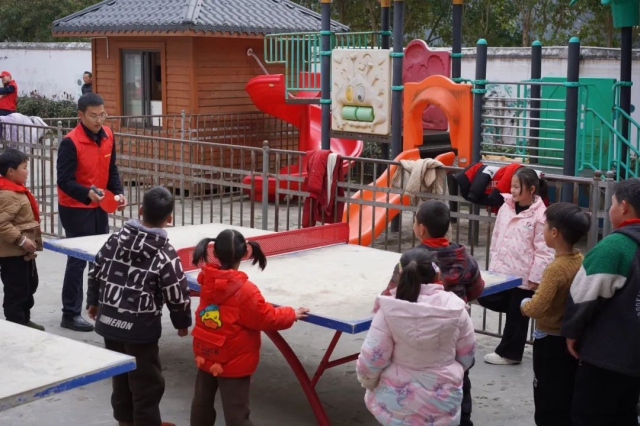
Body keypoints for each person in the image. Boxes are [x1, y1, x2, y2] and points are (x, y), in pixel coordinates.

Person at [86, 186, 191, 426]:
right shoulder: (165, 253)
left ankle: (125, 422)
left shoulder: (114, 239)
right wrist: (182, 322)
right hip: (140, 329)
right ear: (169, 219)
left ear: (141, 210)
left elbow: (96, 268)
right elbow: (177, 290)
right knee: (147, 384)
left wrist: (93, 301)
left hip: (109, 320)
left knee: (120, 377)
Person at [378, 200, 484, 426]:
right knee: (459, 381)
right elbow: (477, 289)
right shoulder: (464, 258)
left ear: (421, 228)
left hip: (415, 339)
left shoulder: (410, 261)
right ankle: (462, 419)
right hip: (453, 337)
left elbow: (390, 294)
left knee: (415, 384)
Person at [189, 229, 309, 426]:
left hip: (206, 351)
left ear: (214, 253)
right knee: (236, 413)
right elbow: (266, 318)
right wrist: (291, 313)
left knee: (201, 403)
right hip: (233, 360)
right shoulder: (246, 290)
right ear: (245, 253)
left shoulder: (206, 280)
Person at [357, 248, 476, 426]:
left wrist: (369, 383)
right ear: (437, 275)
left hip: (396, 401)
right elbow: (467, 355)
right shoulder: (456, 309)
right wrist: (452, 372)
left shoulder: (388, 310)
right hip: (443, 399)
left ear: (400, 274)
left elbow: (372, 359)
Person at [562, 178, 640, 425]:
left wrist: (572, 330)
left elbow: (583, 294)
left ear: (624, 207)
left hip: (607, 355)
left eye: (612, 204)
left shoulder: (615, 246)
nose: (610, 210)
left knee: (590, 415)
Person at [57, 92, 127, 332]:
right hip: (75, 208)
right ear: (81, 115)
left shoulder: (108, 135)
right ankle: (70, 313)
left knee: (101, 257)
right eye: (94, 116)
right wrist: (86, 193)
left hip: (99, 205)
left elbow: (111, 169)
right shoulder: (70, 142)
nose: (99, 120)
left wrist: (118, 193)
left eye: (103, 114)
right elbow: (64, 180)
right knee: (78, 260)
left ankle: (96, 306)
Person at [519, 202, 590, 426]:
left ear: (554, 232)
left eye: (545, 225)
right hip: (570, 337)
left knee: (546, 394)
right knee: (565, 392)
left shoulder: (555, 268)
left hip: (550, 338)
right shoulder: (580, 260)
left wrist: (524, 304)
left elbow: (537, 307)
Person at [478, 166, 554, 365]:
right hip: (502, 271)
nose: (512, 190)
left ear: (531, 189)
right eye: (511, 186)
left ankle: (510, 353)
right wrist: (494, 262)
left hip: (524, 275)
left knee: (517, 314)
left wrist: (536, 277)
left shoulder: (541, 215)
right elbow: (497, 236)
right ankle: (510, 345)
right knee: (487, 298)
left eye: (517, 187)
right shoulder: (506, 206)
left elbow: (543, 249)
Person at [0, 148, 43, 330]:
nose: (27, 171)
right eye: (24, 167)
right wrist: (21, 240)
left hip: (24, 253)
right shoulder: (7, 194)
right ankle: (16, 327)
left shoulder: (16, 190)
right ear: (11, 171)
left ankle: (25, 321)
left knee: (29, 286)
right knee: (16, 292)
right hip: (13, 254)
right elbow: (2, 224)